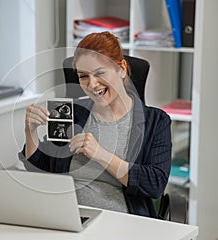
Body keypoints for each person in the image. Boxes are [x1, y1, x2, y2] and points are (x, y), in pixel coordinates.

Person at [19, 31, 172, 218]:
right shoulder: (73, 113)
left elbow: (154, 184)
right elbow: (40, 167)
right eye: (83, 76)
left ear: (121, 68)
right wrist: (30, 131)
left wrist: (100, 154)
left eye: (100, 73)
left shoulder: (156, 121)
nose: (92, 84)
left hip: (121, 223)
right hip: (65, 218)